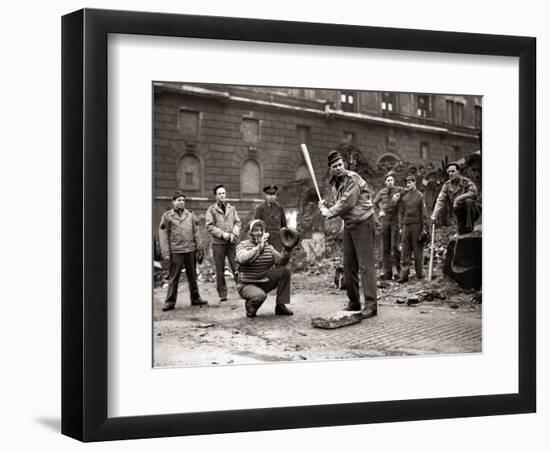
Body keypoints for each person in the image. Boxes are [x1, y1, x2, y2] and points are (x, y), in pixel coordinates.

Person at [318, 150, 378, 318]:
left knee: (365, 266)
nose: (338, 168)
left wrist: (328, 211)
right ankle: (354, 302)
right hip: (350, 225)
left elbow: (347, 203)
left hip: (364, 223)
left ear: (344, 164)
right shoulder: (335, 182)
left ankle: (371, 306)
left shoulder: (353, 179)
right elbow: (339, 201)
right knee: (349, 266)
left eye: (340, 165)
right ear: (330, 168)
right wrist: (326, 204)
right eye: (335, 166)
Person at [235, 220, 295, 318]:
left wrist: (287, 250)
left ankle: (280, 306)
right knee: (259, 296)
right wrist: (259, 248)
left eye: (261, 230)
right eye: (255, 230)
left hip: (264, 281)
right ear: (250, 233)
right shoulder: (242, 245)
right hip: (247, 284)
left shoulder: (268, 247)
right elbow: (243, 259)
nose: (259, 233)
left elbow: (280, 261)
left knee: (285, 270)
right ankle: (250, 306)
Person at [158, 191, 207, 311]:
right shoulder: (167, 216)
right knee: (174, 277)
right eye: (178, 200)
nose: (181, 202)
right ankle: (170, 301)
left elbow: (196, 232)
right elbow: (163, 235)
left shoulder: (190, 215)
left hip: (190, 249)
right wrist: (165, 253)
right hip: (176, 251)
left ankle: (195, 298)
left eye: (183, 200)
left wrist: (199, 247)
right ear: (173, 202)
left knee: (192, 275)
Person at [205, 184, 241, 302]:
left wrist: (234, 233)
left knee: (236, 267)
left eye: (223, 193)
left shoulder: (232, 209)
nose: (222, 195)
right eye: (219, 193)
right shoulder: (211, 210)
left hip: (231, 243)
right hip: (218, 244)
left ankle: (242, 290)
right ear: (215, 196)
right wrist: (222, 234)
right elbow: (209, 226)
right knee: (219, 270)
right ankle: (222, 294)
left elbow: (238, 222)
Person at [431, 162, 480, 235]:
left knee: (468, 201)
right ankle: (465, 230)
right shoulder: (447, 185)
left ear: (458, 172)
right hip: (459, 213)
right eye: (449, 172)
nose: (450, 174)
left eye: (453, 171)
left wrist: (459, 198)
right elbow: (440, 200)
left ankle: (469, 227)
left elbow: (474, 193)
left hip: (472, 211)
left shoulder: (465, 181)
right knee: (462, 234)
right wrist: (434, 215)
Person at [396, 175, 428, 283]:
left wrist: (424, 228)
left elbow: (424, 213)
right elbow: (401, 212)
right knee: (405, 251)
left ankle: (420, 274)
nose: (408, 184)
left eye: (410, 182)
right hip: (406, 226)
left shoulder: (420, 196)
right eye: (407, 182)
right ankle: (403, 276)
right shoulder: (404, 197)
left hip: (417, 226)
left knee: (417, 251)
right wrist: (400, 226)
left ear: (414, 183)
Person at [373, 171, 403, 280]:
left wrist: (399, 196)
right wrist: (379, 212)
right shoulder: (382, 192)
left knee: (395, 246)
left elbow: (408, 192)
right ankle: (388, 273)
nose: (390, 182)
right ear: (385, 182)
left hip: (395, 221)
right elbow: (374, 203)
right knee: (385, 247)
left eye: (392, 180)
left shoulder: (399, 190)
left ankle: (401, 272)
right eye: (388, 180)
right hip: (385, 222)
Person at [254, 185, 287, 251]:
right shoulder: (260, 208)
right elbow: (257, 225)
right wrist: (259, 239)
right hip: (265, 238)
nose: (272, 197)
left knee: (277, 258)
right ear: (266, 196)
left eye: (273, 194)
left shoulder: (280, 208)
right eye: (269, 194)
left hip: (277, 239)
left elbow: (284, 225)